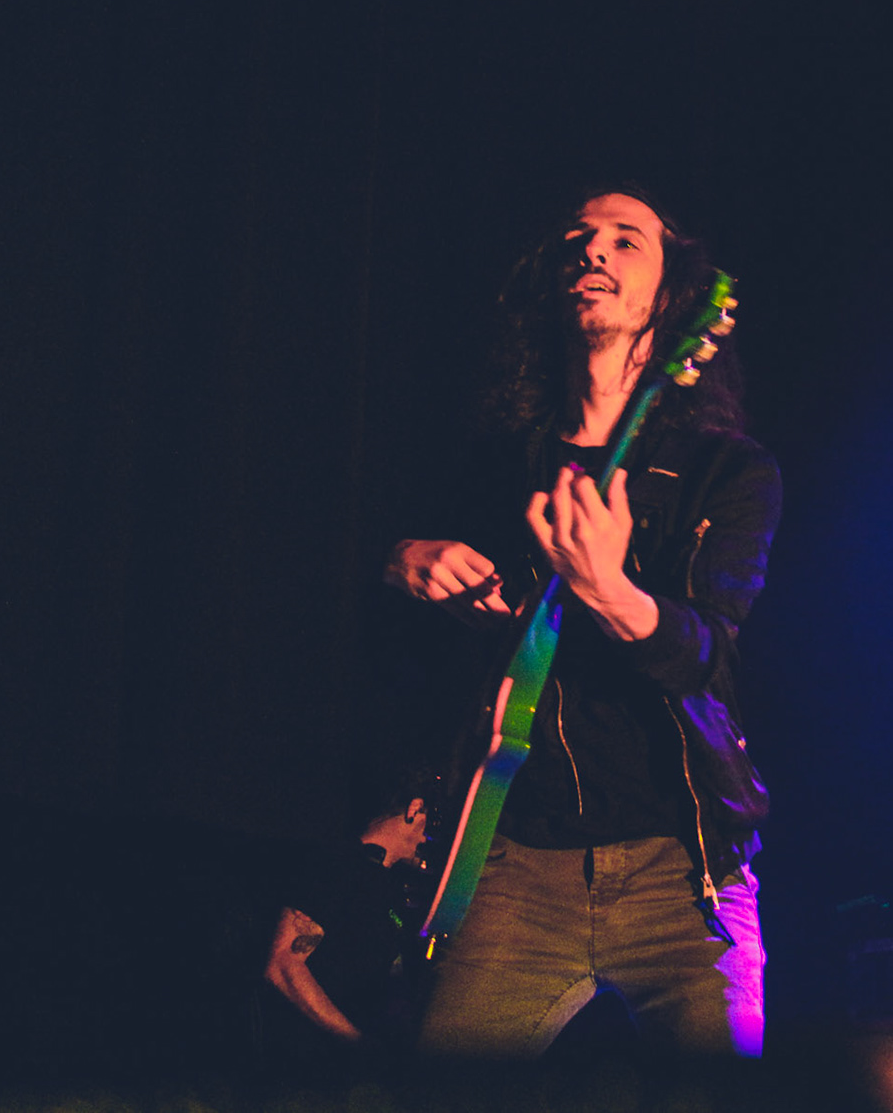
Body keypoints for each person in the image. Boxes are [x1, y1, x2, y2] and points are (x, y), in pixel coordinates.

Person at [383, 188, 779, 1058]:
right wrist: (404, 562)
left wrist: (608, 588)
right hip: (516, 865)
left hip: (684, 869)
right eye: (579, 238)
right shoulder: (496, 464)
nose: (593, 251)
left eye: (625, 240)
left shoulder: (727, 472)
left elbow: (707, 654)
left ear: (671, 298)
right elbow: (420, 668)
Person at [259, 771, 432, 1069]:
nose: (432, 837)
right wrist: (358, 1044)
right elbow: (283, 965)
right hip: (302, 1066)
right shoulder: (336, 863)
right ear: (414, 809)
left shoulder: (391, 888)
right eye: (433, 821)